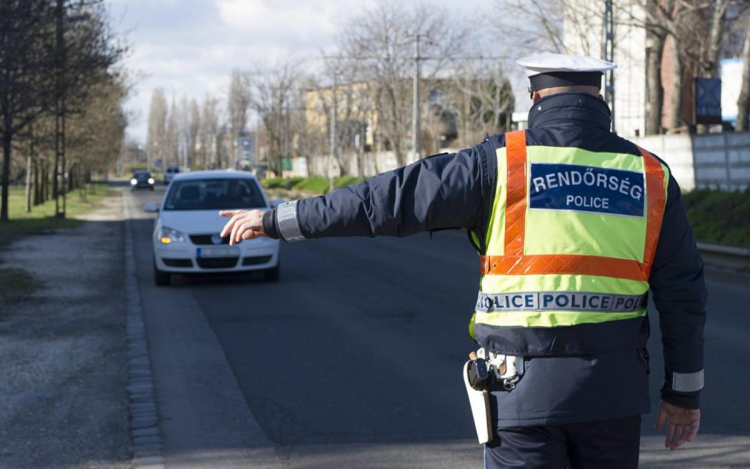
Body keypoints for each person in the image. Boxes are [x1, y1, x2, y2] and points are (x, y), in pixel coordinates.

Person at [218, 53, 706, 468]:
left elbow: (382, 202)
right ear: (601, 99)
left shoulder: (499, 164)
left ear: (534, 99)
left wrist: (280, 219)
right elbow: (684, 295)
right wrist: (683, 396)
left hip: (521, 397)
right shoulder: (651, 175)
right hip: (614, 400)